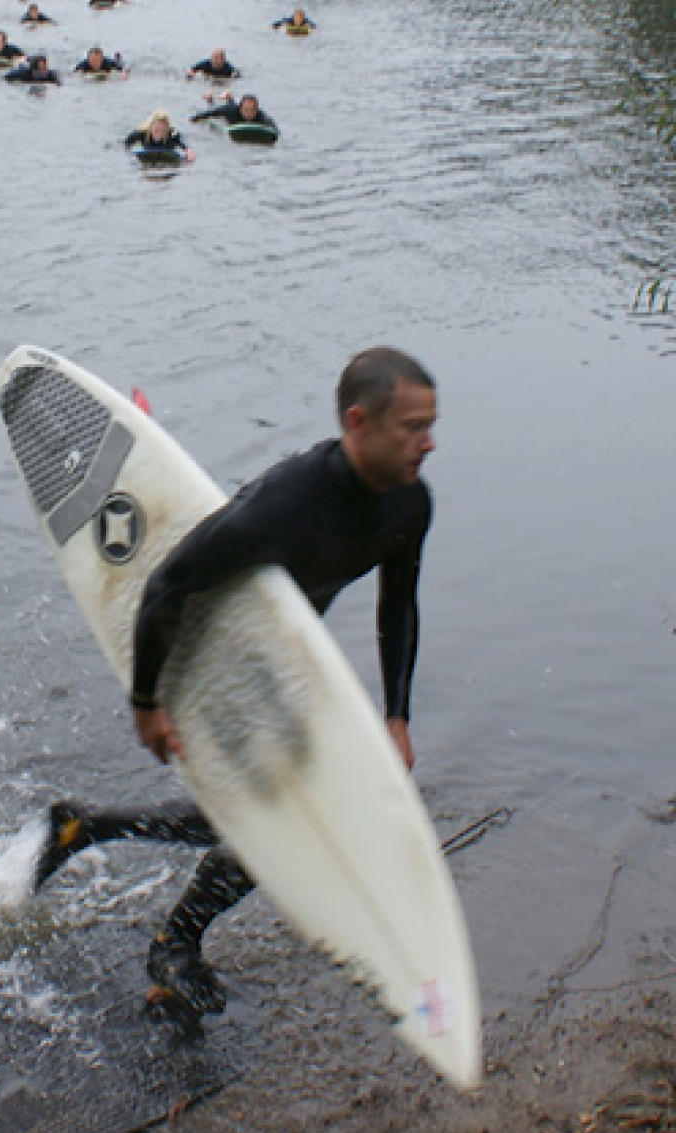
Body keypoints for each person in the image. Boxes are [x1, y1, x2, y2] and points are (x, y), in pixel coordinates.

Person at [33, 346, 437, 1017]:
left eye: (430, 424)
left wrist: (397, 715)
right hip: (202, 651)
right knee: (287, 821)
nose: (428, 441)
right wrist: (146, 701)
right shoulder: (287, 503)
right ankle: (173, 943)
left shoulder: (408, 505)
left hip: (273, 655)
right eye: (412, 427)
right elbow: (166, 587)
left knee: (255, 813)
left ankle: (86, 826)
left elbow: (399, 605)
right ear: (359, 423)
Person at [192, 92, 278, 135]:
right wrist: (194, 120)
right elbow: (207, 114)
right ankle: (210, 98)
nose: (249, 113)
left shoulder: (261, 115)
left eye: (252, 110)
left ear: (256, 110)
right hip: (228, 110)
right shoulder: (230, 110)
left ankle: (229, 97)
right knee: (213, 107)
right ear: (241, 109)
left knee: (230, 103)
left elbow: (275, 130)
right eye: (246, 109)